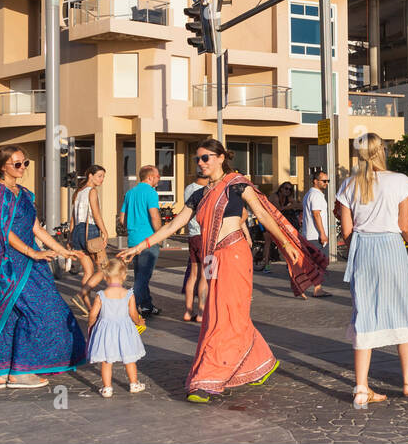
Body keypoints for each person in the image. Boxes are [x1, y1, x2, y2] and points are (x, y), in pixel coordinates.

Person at [121, 138, 325, 403]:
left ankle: (207, 379)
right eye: (197, 159)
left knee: (224, 316)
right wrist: (140, 247)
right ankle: (260, 360)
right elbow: (174, 226)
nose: (200, 163)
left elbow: (263, 215)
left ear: (220, 157)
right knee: (222, 314)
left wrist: (286, 243)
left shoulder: (237, 184)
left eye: (205, 157)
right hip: (212, 260)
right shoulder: (200, 194)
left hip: (235, 256)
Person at [0, 146, 87, 388]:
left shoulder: (25, 193)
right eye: (16, 164)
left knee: (17, 316)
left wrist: (62, 250)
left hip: (31, 261)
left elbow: (36, 228)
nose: (22, 168)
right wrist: (33, 252)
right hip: (9, 263)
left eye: (24, 163)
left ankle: (3, 371)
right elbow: (3, 232)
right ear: (2, 166)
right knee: (45, 311)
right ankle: (19, 371)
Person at [334, 133, 408, 405]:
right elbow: (405, 224)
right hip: (390, 248)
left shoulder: (349, 184)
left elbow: (347, 230)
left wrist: (360, 248)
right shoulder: (399, 181)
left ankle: (362, 387)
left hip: (362, 249)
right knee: (403, 309)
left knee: (363, 313)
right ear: (381, 152)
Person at [85, 258, 146, 397]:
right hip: (125, 331)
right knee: (130, 359)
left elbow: (93, 314)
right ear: (124, 276)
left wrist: (91, 325)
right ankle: (134, 383)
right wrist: (139, 322)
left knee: (107, 361)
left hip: (105, 331)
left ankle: (107, 388)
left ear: (105, 277)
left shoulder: (101, 295)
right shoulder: (128, 294)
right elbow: (133, 314)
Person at [121, 165, 163, 317]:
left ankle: (147, 306)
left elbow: (122, 219)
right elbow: (154, 215)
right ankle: (127, 307)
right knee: (143, 277)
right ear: (150, 177)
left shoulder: (130, 193)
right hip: (148, 240)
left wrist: (132, 228)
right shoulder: (151, 192)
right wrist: (160, 234)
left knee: (140, 274)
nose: (159, 179)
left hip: (133, 240)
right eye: (158, 176)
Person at [66, 165, 109, 312]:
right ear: (90, 176)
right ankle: (80, 295)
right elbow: (96, 214)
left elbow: (72, 218)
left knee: (89, 272)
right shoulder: (92, 191)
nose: (102, 179)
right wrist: (104, 231)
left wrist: (70, 239)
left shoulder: (78, 192)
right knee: (104, 269)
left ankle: (87, 307)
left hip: (78, 233)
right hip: (90, 231)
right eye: (99, 176)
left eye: (103, 176)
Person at [181, 173, 209, 322]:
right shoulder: (207, 190)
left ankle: (188, 311)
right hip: (205, 235)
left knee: (193, 275)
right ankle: (201, 312)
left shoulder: (189, 188)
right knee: (205, 275)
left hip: (192, 235)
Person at [300, 168, 331, 297]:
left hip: (310, 234)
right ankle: (316, 288)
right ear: (315, 181)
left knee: (315, 263)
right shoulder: (316, 195)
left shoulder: (309, 194)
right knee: (320, 263)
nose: (326, 183)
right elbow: (316, 214)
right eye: (324, 181)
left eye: (328, 181)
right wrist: (323, 234)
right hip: (316, 236)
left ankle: (316, 287)